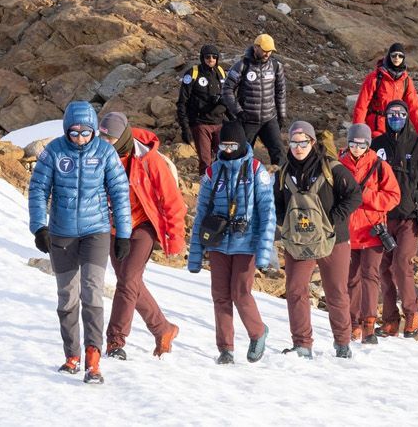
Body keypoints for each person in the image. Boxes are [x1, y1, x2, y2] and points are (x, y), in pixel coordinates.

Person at [28, 100, 131, 384]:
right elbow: (37, 190)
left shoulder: (105, 152)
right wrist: (39, 227)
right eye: (74, 133)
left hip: (95, 232)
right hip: (61, 234)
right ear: (66, 130)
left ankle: (93, 359)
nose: (80, 138)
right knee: (68, 296)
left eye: (85, 132)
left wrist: (123, 233)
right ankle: (71, 355)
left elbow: (120, 193)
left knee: (92, 292)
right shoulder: (54, 152)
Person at [186, 120, 276, 364]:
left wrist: (264, 252)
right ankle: (225, 348)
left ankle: (258, 332)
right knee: (220, 295)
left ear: (242, 144)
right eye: (223, 146)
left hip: (246, 244)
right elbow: (201, 213)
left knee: (240, 292)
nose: (227, 150)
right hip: (217, 243)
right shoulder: (212, 173)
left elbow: (268, 212)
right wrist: (195, 256)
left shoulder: (257, 171)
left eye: (232, 145)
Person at [274, 120, 363, 359]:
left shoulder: (332, 168)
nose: (298, 147)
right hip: (299, 241)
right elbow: (278, 204)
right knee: (295, 290)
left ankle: (343, 343)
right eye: (293, 142)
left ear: (313, 142)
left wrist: (333, 219)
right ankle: (302, 344)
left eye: (303, 142)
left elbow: (354, 195)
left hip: (334, 239)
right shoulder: (284, 171)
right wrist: (288, 225)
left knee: (336, 292)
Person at [98, 112, 184, 359]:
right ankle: (163, 329)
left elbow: (171, 200)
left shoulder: (148, 159)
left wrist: (175, 238)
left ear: (122, 136)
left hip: (141, 226)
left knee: (128, 279)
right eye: (102, 137)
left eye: (111, 139)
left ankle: (116, 341)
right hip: (113, 227)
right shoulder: (98, 155)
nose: (105, 143)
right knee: (131, 282)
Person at [372, 100, 418, 337]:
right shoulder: (377, 144)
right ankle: (390, 321)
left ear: (407, 116)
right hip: (382, 218)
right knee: (384, 268)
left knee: (401, 263)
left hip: (410, 217)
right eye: (391, 114)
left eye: (400, 113)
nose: (395, 117)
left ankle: (412, 314)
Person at [339, 122, 401, 346]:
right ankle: (352, 323)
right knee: (351, 278)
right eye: (353, 143)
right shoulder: (338, 165)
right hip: (346, 232)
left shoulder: (379, 166)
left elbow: (393, 197)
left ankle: (368, 324)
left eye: (362, 144)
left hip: (372, 231)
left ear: (368, 144)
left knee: (371, 276)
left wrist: (366, 195)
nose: (357, 148)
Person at [223, 34, 288, 167]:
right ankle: (242, 183)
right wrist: (239, 112)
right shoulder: (242, 66)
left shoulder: (276, 66)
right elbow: (227, 90)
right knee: (242, 155)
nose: (267, 54)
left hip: (269, 119)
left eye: (270, 51)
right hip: (247, 120)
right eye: (264, 50)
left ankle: (282, 184)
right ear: (255, 47)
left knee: (280, 154)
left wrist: (282, 115)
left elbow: (280, 92)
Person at [352, 42, 418, 139]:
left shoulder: (406, 81)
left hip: (396, 129)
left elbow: (415, 109)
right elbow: (361, 106)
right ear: (389, 56)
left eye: (400, 56)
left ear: (403, 58)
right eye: (394, 55)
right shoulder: (375, 78)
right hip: (376, 131)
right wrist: (358, 135)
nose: (397, 58)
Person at [177, 44, 230, 172]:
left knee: (223, 158)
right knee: (206, 161)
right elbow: (182, 102)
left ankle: (221, 188)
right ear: (202, 57)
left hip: (219, 123)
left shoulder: (221, 73)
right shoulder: (193, 73)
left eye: (214, 57)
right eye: (207, 57)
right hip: (201, 124)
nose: (211, 59)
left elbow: (229, 97)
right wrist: (185, 128)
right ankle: (206, 187)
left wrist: (233, 119)